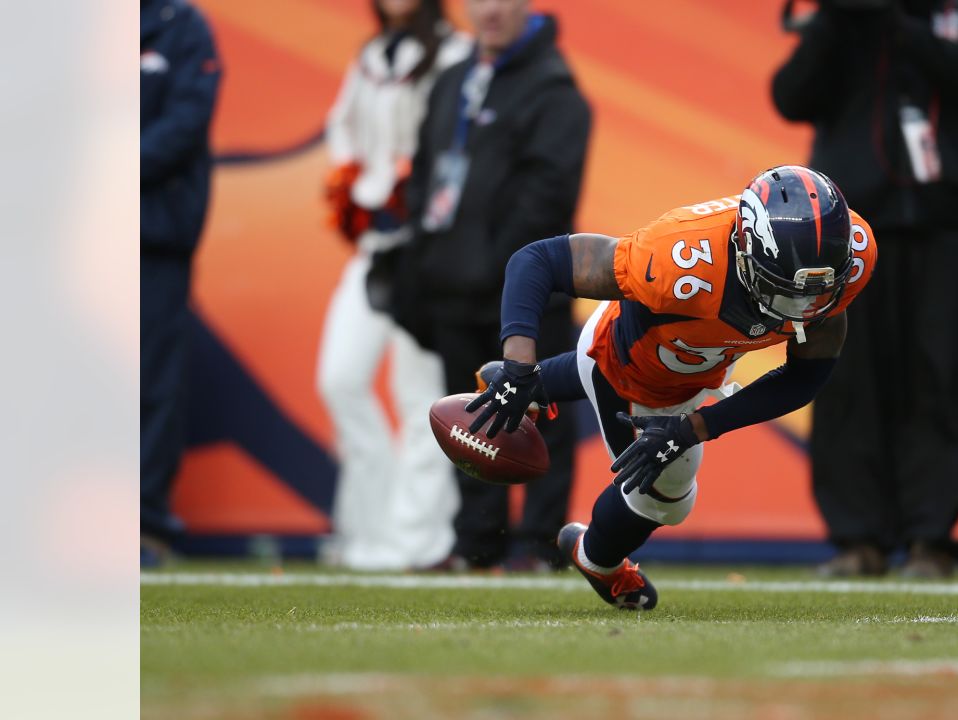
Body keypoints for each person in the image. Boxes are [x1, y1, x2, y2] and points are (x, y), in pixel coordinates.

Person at [465, 165, 878, 608]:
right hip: (624, 363)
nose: (800, 308)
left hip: (703, 363)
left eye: (817, 293)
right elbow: (538, 260)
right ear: (745, 250)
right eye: (783, 290)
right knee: (668, 498)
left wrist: (692, 428)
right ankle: (596, 560)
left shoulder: (851, 256)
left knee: (685, 410)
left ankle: (543, 384)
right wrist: (517, 364)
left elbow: (805, 377)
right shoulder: (677, 257)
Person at [772, 0, 958, 578]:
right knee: (846, 381)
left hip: (947, 231)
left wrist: (899, 27)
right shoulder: (839, 23)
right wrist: (835, 22)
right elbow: (790, 97)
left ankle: (929, 540)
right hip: (848, 237)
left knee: (940, 377)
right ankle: (858, 541)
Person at [391, 0, 590, 570]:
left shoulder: (556, 90)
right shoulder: (452, 80)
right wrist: (425, 263)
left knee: (542, 412)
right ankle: (476, 546)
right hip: (453, 286)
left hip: (528, 293)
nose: (490, 9)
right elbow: (426, 177)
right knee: (471, 419)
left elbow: (546, 197)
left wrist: (496, 266)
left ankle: (540, 546)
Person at [317, 0, 471, 571]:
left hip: (427, 251)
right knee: (340, 379)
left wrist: (416, 188)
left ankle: (416, 541)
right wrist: (352, 182)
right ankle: (370, 527)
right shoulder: (370, 56)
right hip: (375, 247)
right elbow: (342, 130)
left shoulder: (454, 53)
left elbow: (457, 148)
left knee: (420, 398)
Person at [141, 0, 221, 567]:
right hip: (67, 232)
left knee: (151, 382)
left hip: (153, 234)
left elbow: (187, 121)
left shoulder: (183, 27)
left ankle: (143, 524)